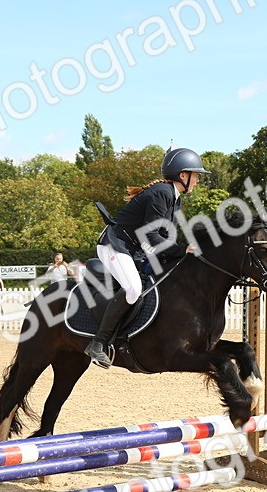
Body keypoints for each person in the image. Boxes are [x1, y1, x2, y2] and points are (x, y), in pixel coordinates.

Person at [85, 147, 206, 367]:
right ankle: (98, 344)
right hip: (114, 245)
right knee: (133, 289)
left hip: (134, 249)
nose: (198, 180)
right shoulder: (163, 192)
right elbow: (150, 235)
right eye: (196, 175)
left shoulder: (174, 198)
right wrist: (181, 250)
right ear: (183, 175)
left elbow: (162, 235)